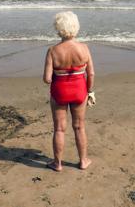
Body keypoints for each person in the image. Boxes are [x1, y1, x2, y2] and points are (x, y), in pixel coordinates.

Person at [43, 11, 94, 171]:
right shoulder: (84, 48)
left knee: (59, 128)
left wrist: (59, 73)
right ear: (76, 27)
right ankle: (83, 161)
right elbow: (91, 73)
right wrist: (89, 90)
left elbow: (47, 78)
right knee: (79, 126)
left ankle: (57, 163)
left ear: (58, 28)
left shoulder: (53, 50)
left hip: (60, 92)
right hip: (80, 91)